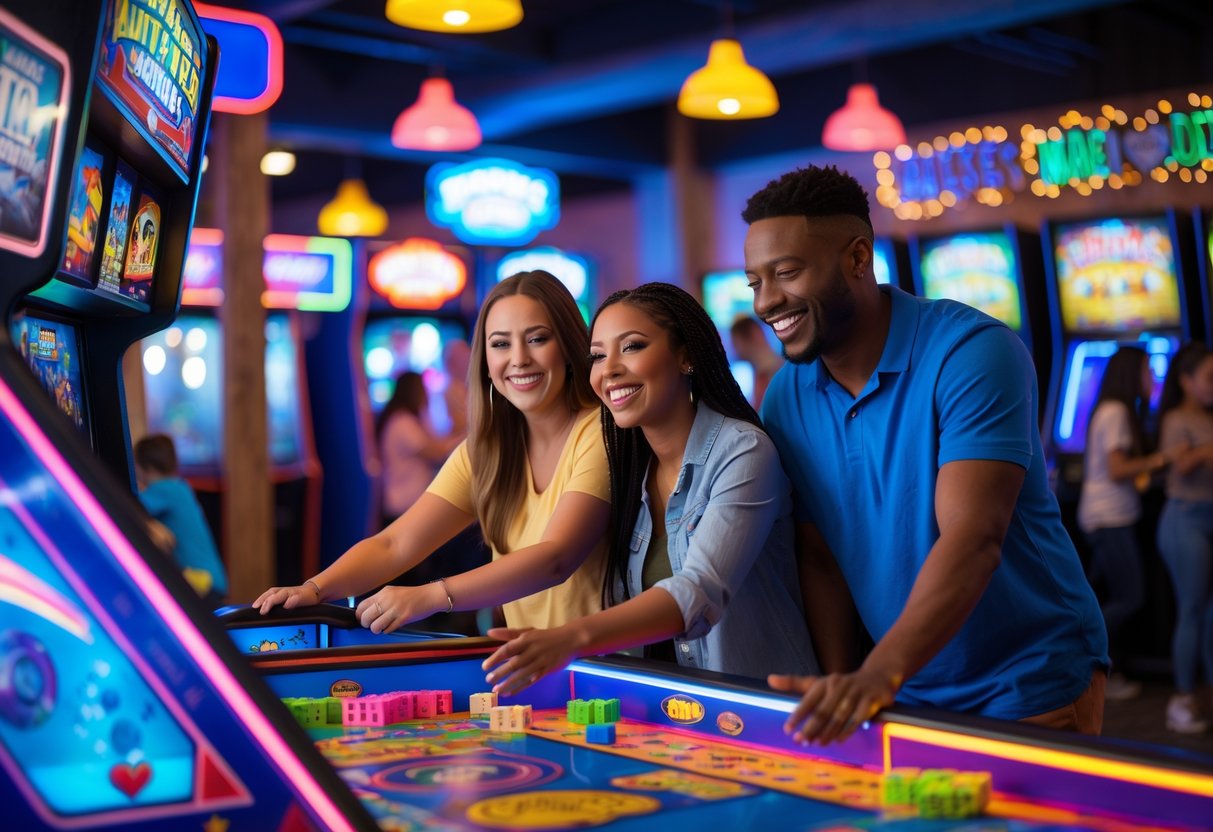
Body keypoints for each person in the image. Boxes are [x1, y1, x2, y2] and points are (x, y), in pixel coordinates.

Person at [742, 165, 1107, 745]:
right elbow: (820, 557)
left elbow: (974, 537)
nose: (767, 301)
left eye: (785, 273)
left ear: (858, 258)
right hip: (900, 685)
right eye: (754, 282)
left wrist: (877, 673)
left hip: (1023, 677)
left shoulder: (971, 351)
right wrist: (843, 683)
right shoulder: (788, 393)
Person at [482, 284, 818, 694]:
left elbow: (699, 589)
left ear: (685, 355)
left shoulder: (743, 451)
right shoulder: (630, 469)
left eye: (633, 347)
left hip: (765, 711)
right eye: (598, 356)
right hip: (678, 716)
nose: (609, 370)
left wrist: (571, 637)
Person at [254, 271, 610, 633]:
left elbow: (556, 558)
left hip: (610, 667)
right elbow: (394, 544)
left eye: (537, 339)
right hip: (535, 664)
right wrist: (315, 589)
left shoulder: (600, 431)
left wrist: (432, 595)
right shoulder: (487, 450)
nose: (518, 359)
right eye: (500, 344)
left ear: (567, 346)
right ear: (485, 359)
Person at [1077, 346, 1170, 701]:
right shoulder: (1116, 411)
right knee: (1129, 597)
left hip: (1105, 514)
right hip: (1108, 517)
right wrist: (1162, 459)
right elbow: (1117, 470)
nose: (1154, 378)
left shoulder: (1112, 409)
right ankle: (1091, 668)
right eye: (1149, 371)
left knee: (1103, 597)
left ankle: (1090, 668)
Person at [1155, 342, 1213, 734]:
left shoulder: (1207, 419)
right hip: (1184, 520)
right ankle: (1182, 698)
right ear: (1186, 381)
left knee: (1210, 614)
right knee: (1191, 609)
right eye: (1209, 378)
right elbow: (1184, 464)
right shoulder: (1176, 419)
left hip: (1207, 517)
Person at [134, 434, 228, 607]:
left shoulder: (164, 490)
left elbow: (130, 507)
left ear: (143, 466)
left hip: (201, 581)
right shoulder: (180, 487)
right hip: (212, 580)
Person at [375, 371, 462, 528]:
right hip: (403, 504)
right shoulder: (402, 421)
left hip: (407, 502)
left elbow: (436, 443)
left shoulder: (409, 418)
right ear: (413, 391)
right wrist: (465, 438)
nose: (426, 395)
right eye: (423, 389)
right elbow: (435, 452)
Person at [730, 315, 783, 409]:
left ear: (754, 334)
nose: (733, 349)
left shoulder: (776, 374)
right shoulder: (760, 374)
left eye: (734, 342)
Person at [443, 338, 471, 438]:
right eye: (462, 357)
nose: (468, 360)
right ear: (450, 364)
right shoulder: (444, 394)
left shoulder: (475, 388)